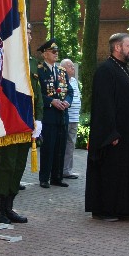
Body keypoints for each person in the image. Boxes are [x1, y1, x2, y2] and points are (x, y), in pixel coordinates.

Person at [84, 33, 129, 221]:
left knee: (125, 172)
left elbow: (125, 96)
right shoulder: (105, 70)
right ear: (117, 48)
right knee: (112, 172)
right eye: (128, 46)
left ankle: (125, 207)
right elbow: (104, 105)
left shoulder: (125, 69)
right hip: (115, 134)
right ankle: (106, 209)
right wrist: (111, 133)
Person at [0, 26, 43, 224]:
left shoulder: (31, 62)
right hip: (7, 121)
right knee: (6, 165)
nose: (29, 36)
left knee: (19, 165)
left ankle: (9, 206)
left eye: (30, 32)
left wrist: (38, 119)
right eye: (26, 32)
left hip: (26, 121)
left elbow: (36, 93)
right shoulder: (5, 59)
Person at [36, 39, 73, 188]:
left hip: (62, 115)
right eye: (53, 52)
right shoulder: (39, 70)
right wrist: (51, 101)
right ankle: (44, 178)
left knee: (60, 147)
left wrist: (67, 102)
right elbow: (37, 93)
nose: (56, 54)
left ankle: (57, 177)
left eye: (57, 51)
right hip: (49, 115)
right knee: (48, 147)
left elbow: (69, 91)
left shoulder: (62, 71)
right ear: (45, 54)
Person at [60, 59, 81, 179]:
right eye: (70, 66)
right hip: (66, 118)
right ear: (63, 68)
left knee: (71, 145)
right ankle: (59, 170)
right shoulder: (60, 80)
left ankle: (67, 170)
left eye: (73, 66)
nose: (73, 68)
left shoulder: (74, 81)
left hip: (75, 119)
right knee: (63, 144)